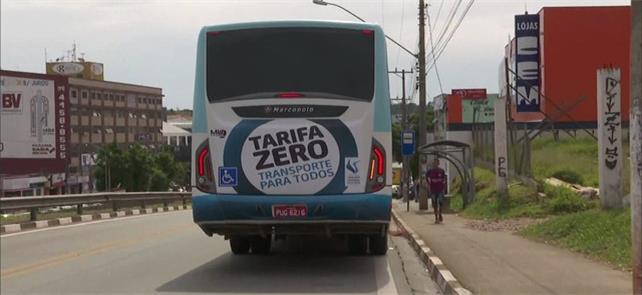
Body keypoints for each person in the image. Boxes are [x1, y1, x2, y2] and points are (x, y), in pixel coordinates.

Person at [426, 158, 446, 224]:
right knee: (435, 204)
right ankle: (436, 217)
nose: (435, 164)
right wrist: (429, 186)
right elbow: (427, 179)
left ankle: (440, 214)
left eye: (436, 163)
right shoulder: (430, 172)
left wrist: (444, 187)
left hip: (440, 189)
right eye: (434, 163)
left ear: (438, 163)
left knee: (440, 203)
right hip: (433, 190)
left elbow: (444, 180)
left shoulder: (441, 171)